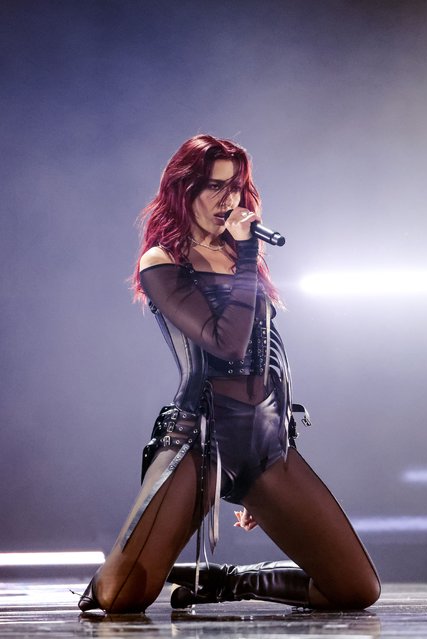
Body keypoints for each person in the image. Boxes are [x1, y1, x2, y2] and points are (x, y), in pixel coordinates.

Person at [78, 134, 381, 614]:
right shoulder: (163, 261)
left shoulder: (244, 258)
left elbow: (269, 358)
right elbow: (225, 342)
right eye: (215, 188)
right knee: (120, 599)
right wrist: (243, 257)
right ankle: (114, 570)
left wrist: (281, 449)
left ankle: (227, 582)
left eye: (235, 187)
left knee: (356, 590)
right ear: (184, 191)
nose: (229, 200)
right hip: (201, 437)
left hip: (265, 441)